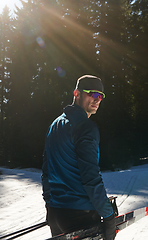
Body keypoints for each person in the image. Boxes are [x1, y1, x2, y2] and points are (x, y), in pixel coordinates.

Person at [41, 75, 116, 240]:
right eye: (92, 94)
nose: (97, 99)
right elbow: (90, 177)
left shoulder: (55, 125)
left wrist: (50, 204)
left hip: (56, 214)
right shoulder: (85, 127)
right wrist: (109, 216)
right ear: (76, 93)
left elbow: (46, 171)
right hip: (80, 217)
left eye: (101, 96)